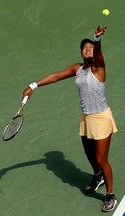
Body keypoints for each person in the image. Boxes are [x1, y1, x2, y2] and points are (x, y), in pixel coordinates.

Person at [22, 26, 118, 212]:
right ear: (81, 53)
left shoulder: (98, 68)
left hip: (101, 118)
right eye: (85, 47)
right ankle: (97, 176)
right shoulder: (78, 69)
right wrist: (33, 86)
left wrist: (97, 40)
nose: (88, 49)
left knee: (101, 158)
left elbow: (98, 54)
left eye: (90, 47)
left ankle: (110, 195)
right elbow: (56, 76)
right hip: (86, 117)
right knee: (89, 154)